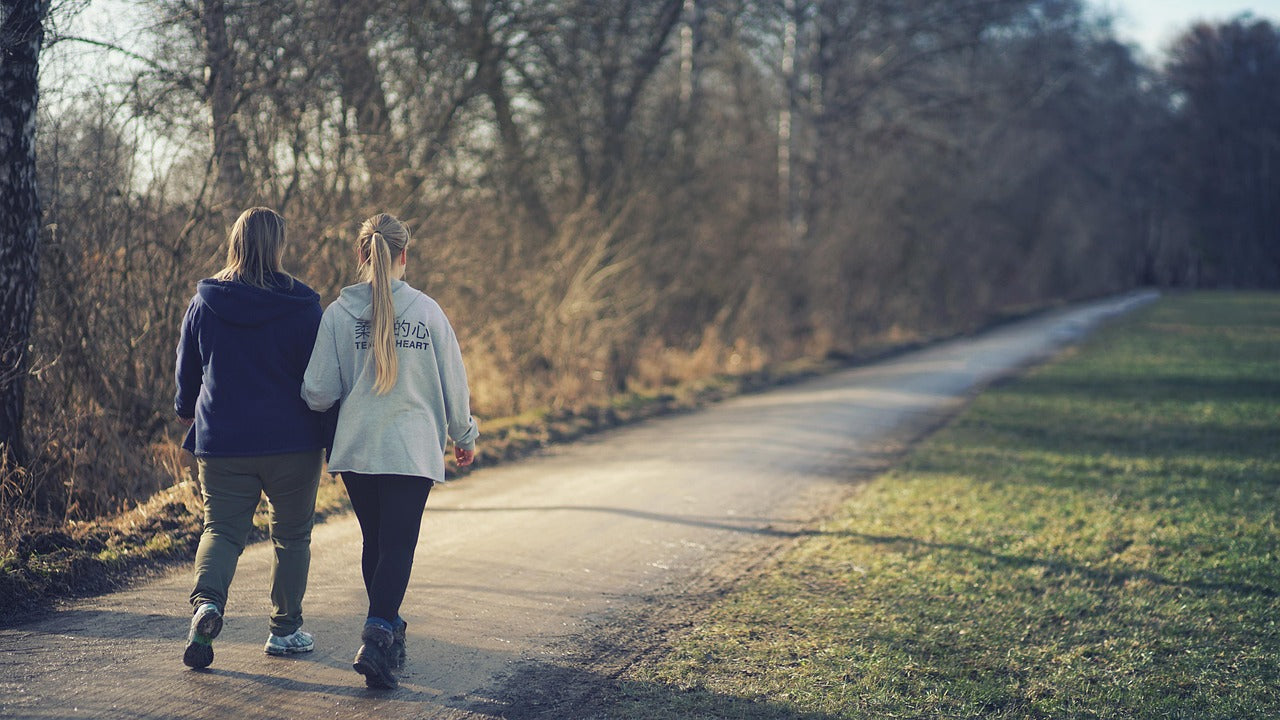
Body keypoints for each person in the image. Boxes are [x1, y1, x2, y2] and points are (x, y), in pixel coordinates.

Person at [302, 212, 478, 689]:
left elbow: (317, 392)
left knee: (376, 544)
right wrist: (465, 436)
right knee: (398, 546)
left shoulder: (338, 315)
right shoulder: (426, 312)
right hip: (411, 448)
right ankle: (378, 635)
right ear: (403, 255)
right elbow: (453, 384)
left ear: (362, 255)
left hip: (358, 447)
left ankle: (386, 632)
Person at [175, 207, 328, 669]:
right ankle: (284, 632)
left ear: (235, 241)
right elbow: (321, 379)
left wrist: (187, 410)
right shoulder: (303, 306)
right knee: (292, 536)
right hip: (293, 442)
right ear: (278, 245)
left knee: (221, 530)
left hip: (223, 440)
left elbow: (187, 372)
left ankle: (207, 605)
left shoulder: (206, 301)